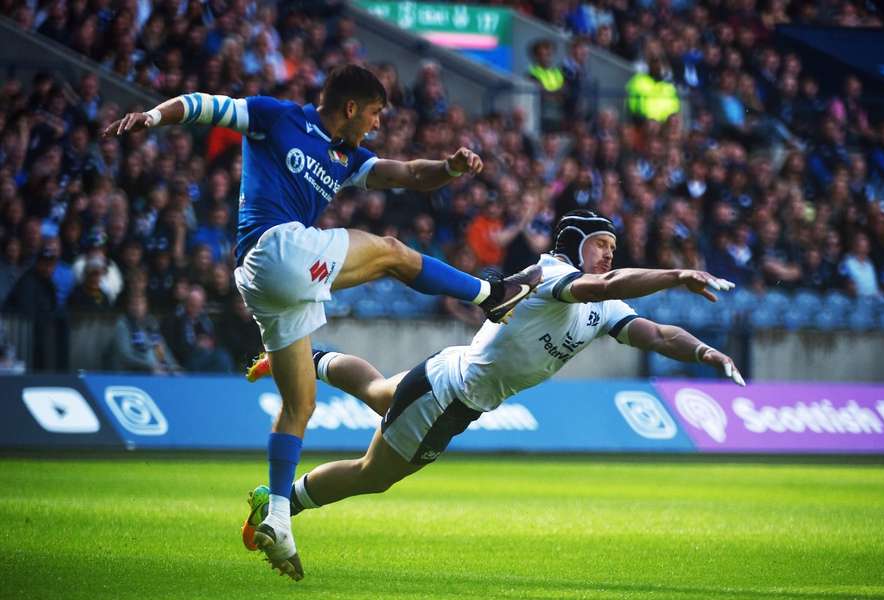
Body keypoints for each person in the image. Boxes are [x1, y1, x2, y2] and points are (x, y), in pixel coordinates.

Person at [103, 63, 541, 580]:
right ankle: (492, 294)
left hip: (266, 282)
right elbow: (204, 103)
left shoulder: (346, 155)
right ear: (351, 107)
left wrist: (448, 167)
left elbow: (407, 174)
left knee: (299, 403)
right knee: (393, 252)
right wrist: (154, 116)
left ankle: (280, 520)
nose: (377, 125)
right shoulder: (278, 116)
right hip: (275, 249)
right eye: (375, 113)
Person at [242, 210, 745, 572]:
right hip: (451, 398)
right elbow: (606, 284)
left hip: (452, 374)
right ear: (574, 246)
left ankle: (306, 360)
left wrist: (706, 353)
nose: (609, 251)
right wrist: (676, 274)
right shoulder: (555, 275)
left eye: (613, 246)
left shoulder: (607, 308)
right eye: (600, 244)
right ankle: (280, 502)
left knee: (377, 392)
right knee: (372, 475)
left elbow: (655, 334)